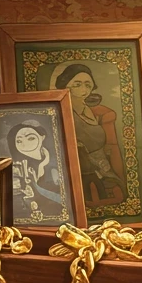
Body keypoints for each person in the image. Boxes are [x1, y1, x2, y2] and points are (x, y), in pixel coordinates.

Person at [54, 63, 125, 206]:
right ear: (65, 86)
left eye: (88, 85)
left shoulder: (95, 112)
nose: (84, 89)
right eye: (77, 84)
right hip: (78, 169)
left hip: (103, 167)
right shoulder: (60, 112)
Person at [5, 122, 65, 222]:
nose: (25, 145)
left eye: (31, 138)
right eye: (19, 141)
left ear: (42, 137)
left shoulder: (55, 161)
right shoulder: (18, 166)